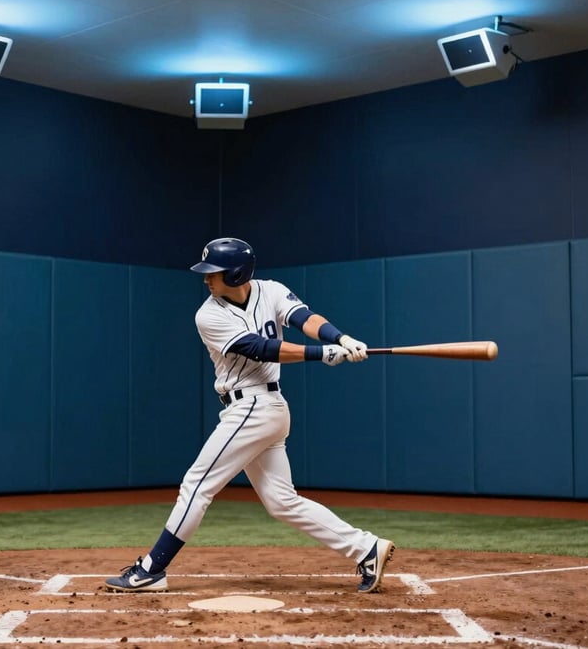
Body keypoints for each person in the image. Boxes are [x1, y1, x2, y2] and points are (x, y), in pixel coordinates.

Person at [106, 237, 394, 594]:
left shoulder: (271, 291)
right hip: (257, 410)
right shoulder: (208, 314)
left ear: (238, 273)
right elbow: (259, 349)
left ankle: (151, 569)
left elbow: (304, 317)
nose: (206, 279)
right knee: (281, 501)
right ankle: (365, 548)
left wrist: (341, 337)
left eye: (214, 272)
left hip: (255, 409)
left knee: (196, 485)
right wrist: (322, 353)